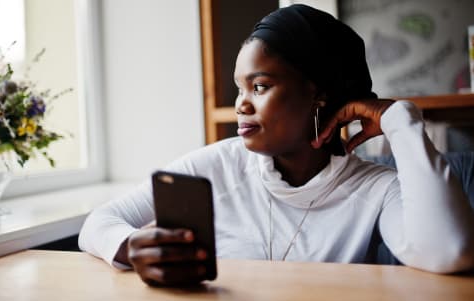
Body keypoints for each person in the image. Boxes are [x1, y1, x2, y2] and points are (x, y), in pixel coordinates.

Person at [79, 4, 474, 286]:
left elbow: (449, 251)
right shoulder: (219, 164)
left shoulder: (376, 188)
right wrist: (131, 248)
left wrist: (399, 121)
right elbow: (97, 223)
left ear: (318, 93)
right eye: (240, 87)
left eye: (260, 86)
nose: (241, 104)